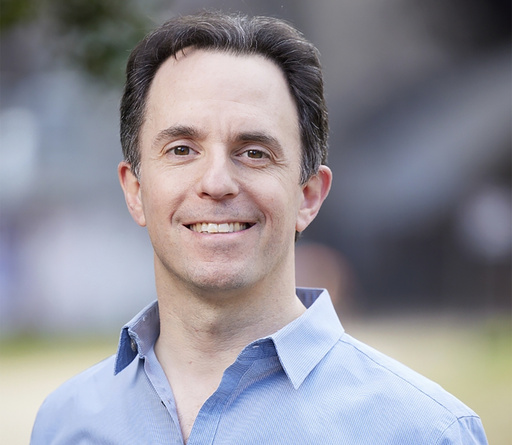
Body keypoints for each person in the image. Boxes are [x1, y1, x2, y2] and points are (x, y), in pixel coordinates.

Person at [31, 11, 488, 444]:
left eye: (254, 153)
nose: (216, 183)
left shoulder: (425, 432)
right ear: (135, 191)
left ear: (308, 196)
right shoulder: (65, 424)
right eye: (182, 149)